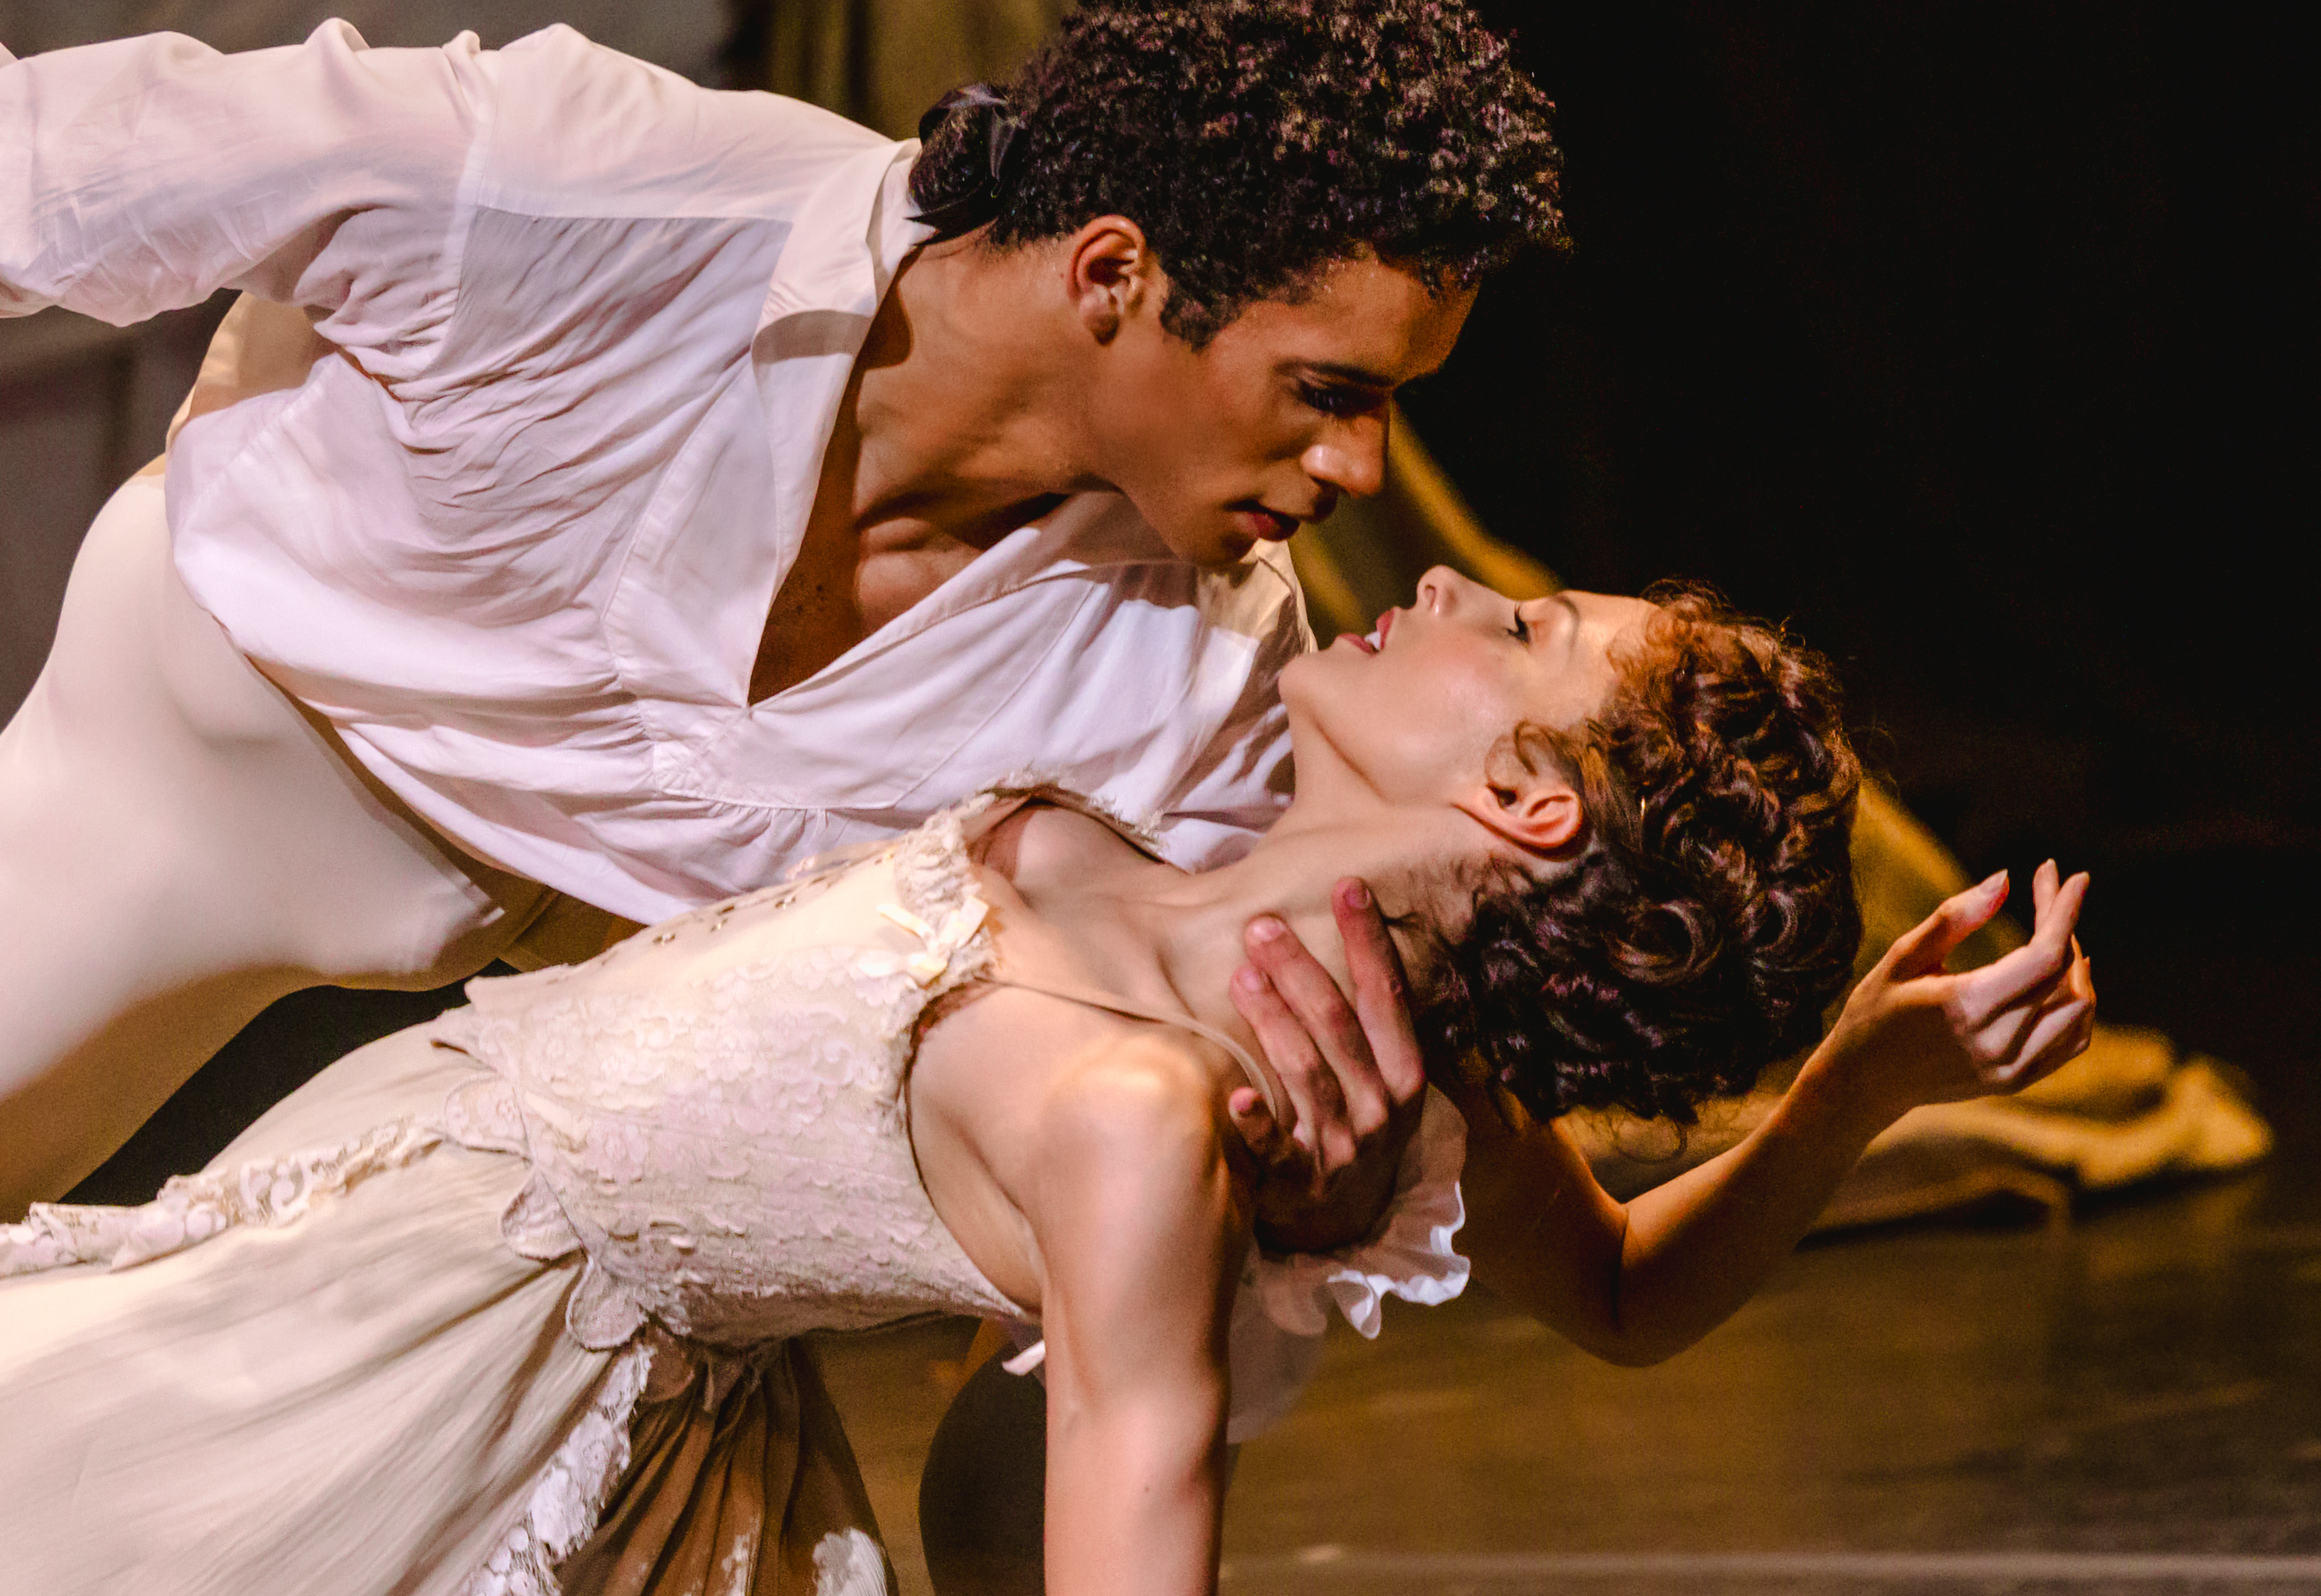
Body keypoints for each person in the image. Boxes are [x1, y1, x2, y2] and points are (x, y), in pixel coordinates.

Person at [0, 567, 2094, 1595]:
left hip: (419, 1370)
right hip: (429, 1270)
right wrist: (1863, 1078)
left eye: (1524, 626)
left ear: (1526, 800)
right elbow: (1626, 1292)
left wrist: (1852, 1099)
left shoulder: (1150, 1122)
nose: (1446, 583)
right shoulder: (1231, 892)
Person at [0, 0, 1565, 1216]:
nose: (1361, 472)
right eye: (1329, 395)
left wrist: (1325, 1162)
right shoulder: (588, 193)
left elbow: (1291, 1021)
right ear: (1115, 274)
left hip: (588, 1052)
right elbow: (47, 164)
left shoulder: (1211, 667)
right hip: (224, 759)